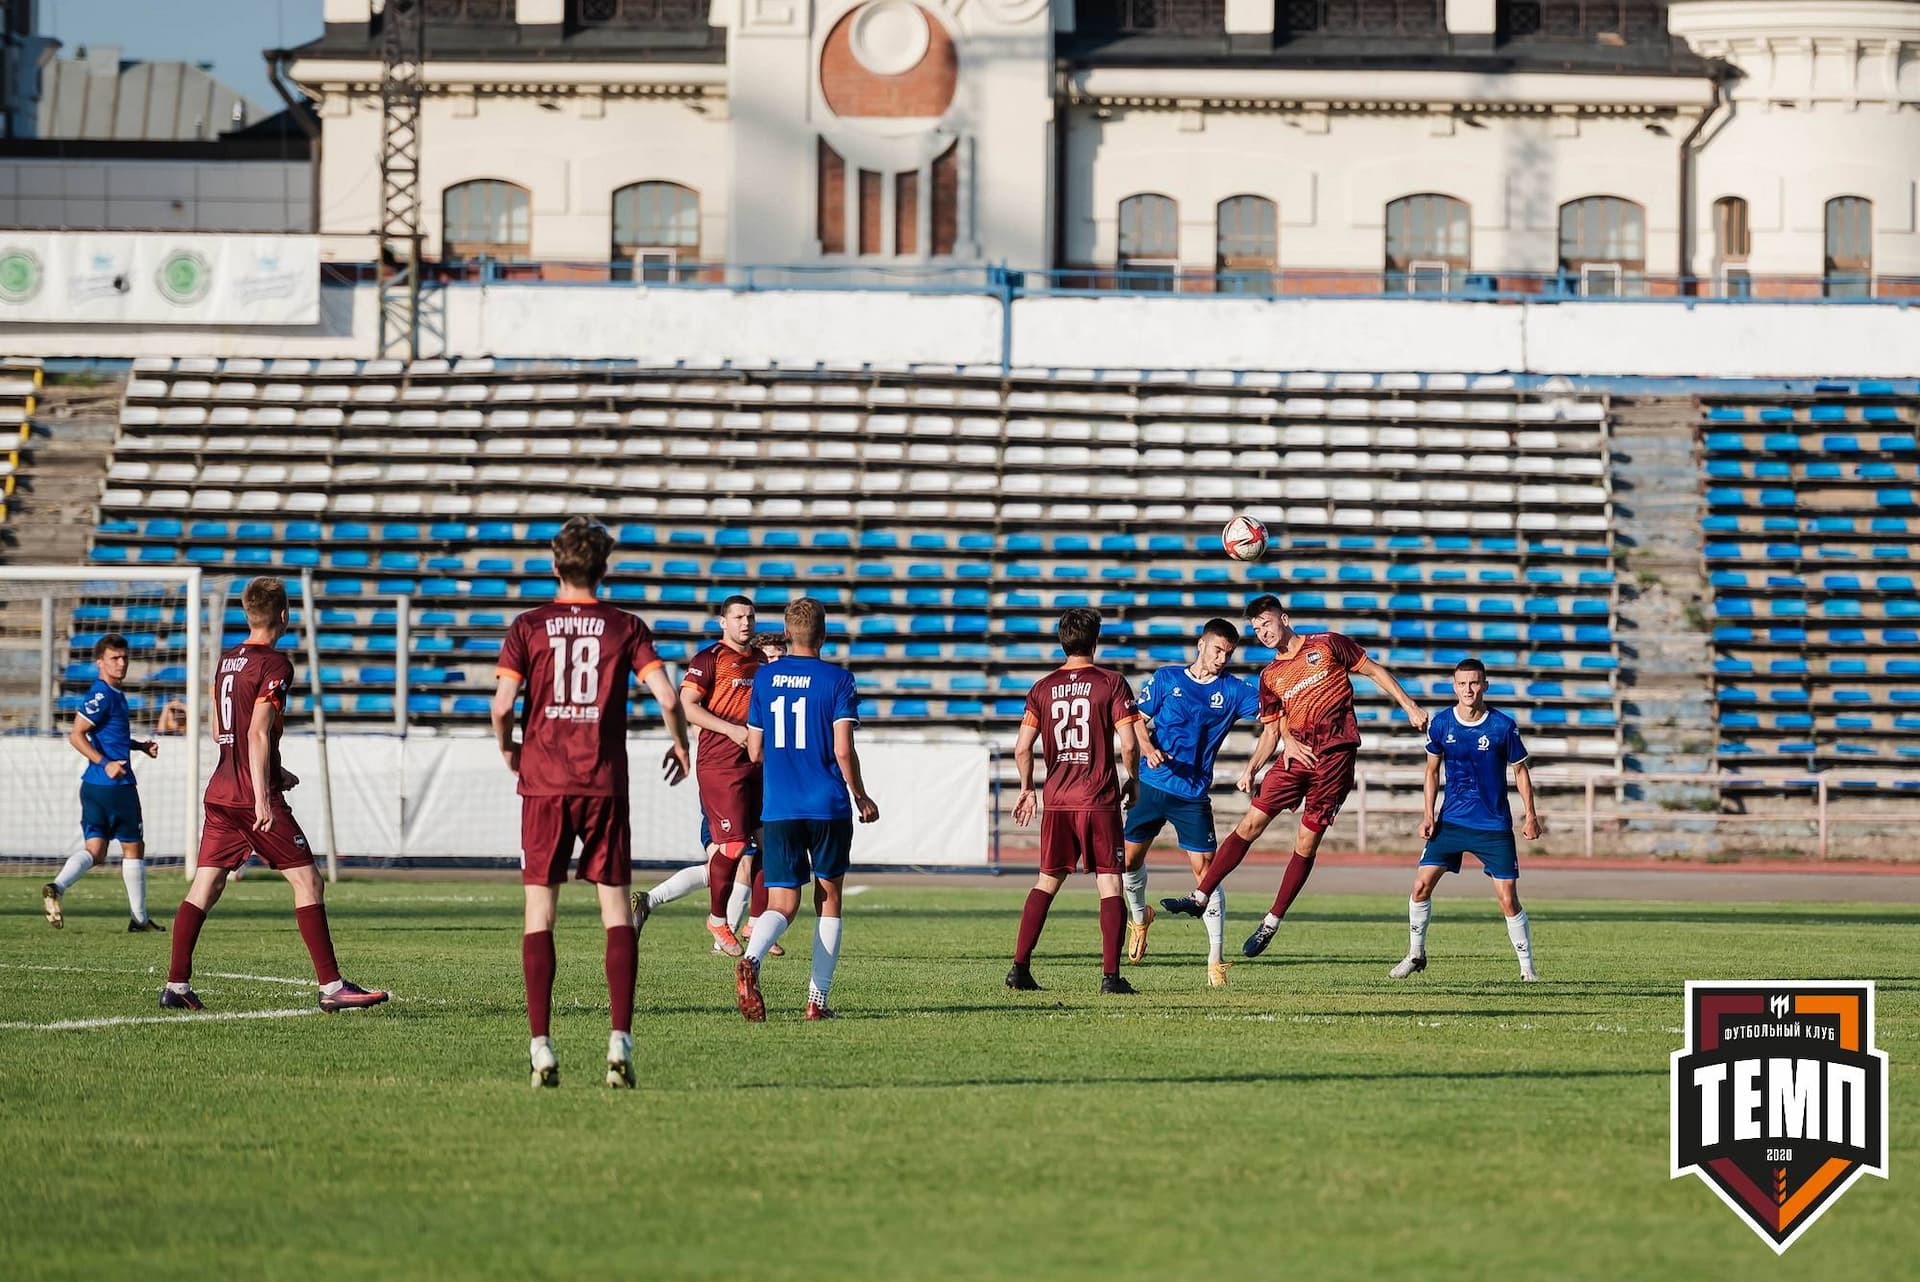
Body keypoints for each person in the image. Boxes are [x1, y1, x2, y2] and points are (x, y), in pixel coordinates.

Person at [493, 517, 692, 1088]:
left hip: (545, 781)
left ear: (555, 566)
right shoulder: (625, 626)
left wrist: (511, 749)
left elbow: (502, 706)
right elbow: (664, 692)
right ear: (604, 568)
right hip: (604, 783)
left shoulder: (528, 626)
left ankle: (541, 1048)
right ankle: (619, 1040)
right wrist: (679, 741)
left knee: (540, 913)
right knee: (613, 910)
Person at [160, 578, 388, 1014]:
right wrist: (264, 796)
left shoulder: (227, 661)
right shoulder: (276, 665)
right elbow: (257, 730)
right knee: (308, 881)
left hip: (222, 789)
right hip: (251, 796)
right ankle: (332, 986)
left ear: (247, 614)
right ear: (285, 615)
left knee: (206, 884)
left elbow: (221, 731)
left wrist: (275, 770)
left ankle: (177, 984)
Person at [1162, 595, 1428, 960]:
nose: (1263, 632)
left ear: (1284, 619)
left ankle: (1271, 921)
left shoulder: (1328, 644)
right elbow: (1272, 730)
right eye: (1256, 629)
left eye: (1267, 623)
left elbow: (1374, 670)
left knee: (1305, 842)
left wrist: (1410, 705)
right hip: (1294, 758)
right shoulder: (1269, 676)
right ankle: (1199, 896)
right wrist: (1252, 767)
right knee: (1250, 823)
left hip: (1334, 758)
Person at [733, 598, 878, 1022]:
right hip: (826, 806)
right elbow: (843, 749)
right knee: (828, 898)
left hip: (778, 807)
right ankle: (816, 1002)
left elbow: (755, 750)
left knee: (780, 902)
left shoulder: (765, 679)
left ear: (788, 632)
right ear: (824, 633)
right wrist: (862, 796)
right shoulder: (838, 680)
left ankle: (753, 958)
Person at [1005, 607, 1143, 995]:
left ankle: (1019, 968)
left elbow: (1021, 748)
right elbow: (1129, 742)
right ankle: (1111, 977)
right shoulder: (1111, 683)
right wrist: (1132, 779)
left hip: (1059, 799)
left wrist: (1027, 788)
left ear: (1061, 640)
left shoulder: (1042, 688)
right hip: (1097, 797)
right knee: (1110, 881)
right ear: (1096, 640)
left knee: (1047, 880)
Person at [1122, 619, 1261, 987]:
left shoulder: (1234, 691)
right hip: (1151, 787)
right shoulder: (1167, 678)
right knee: (1128, 862)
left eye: (1228, 653)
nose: (1221, 658)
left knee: (1207, 876)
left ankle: (1216, 959)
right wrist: (1148, 748)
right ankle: (1140, 917)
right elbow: (1136, 716)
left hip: (1193, 796)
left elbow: (1275, 713)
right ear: (1201, 645)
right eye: (1217, 650)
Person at [1390, 658, 1543, 982]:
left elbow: (1520, 771)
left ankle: (1527, 969)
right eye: (1462, 683)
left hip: (1493, 825)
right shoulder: (1442, 724)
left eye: (1474, 683)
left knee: (1507, 898)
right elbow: (1431, 771)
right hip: (1452, 822)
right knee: (1420, 886)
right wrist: (1428, 815)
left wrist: (1530, 816)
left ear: (1485, 685)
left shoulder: (1503, 726)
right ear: (1454, 686)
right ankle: (1416, 954)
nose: (1469, 689)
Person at [633, 631, 784, 955]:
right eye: (769, 657)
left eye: (779, 657)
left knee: (752, 853)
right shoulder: (731, 683)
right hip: (724, 781)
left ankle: (653, 901)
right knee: (735, 856)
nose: (775, 663)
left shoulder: (767, 693)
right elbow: (696, 716)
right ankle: (722, 928)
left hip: (751, 777)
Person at [42, 634, 164, 932]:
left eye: (124, 658)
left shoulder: (114, 693)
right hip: (115, 787)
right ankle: (139, 920)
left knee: (95, 851)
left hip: (93, 788)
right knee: (133, 849)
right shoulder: (102, 695)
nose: (121, 663)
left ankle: (56, 887)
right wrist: (106, 763)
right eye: (114, 658)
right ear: (100, 662)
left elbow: (110, 736)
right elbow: (76, 734)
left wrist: (138, 747)